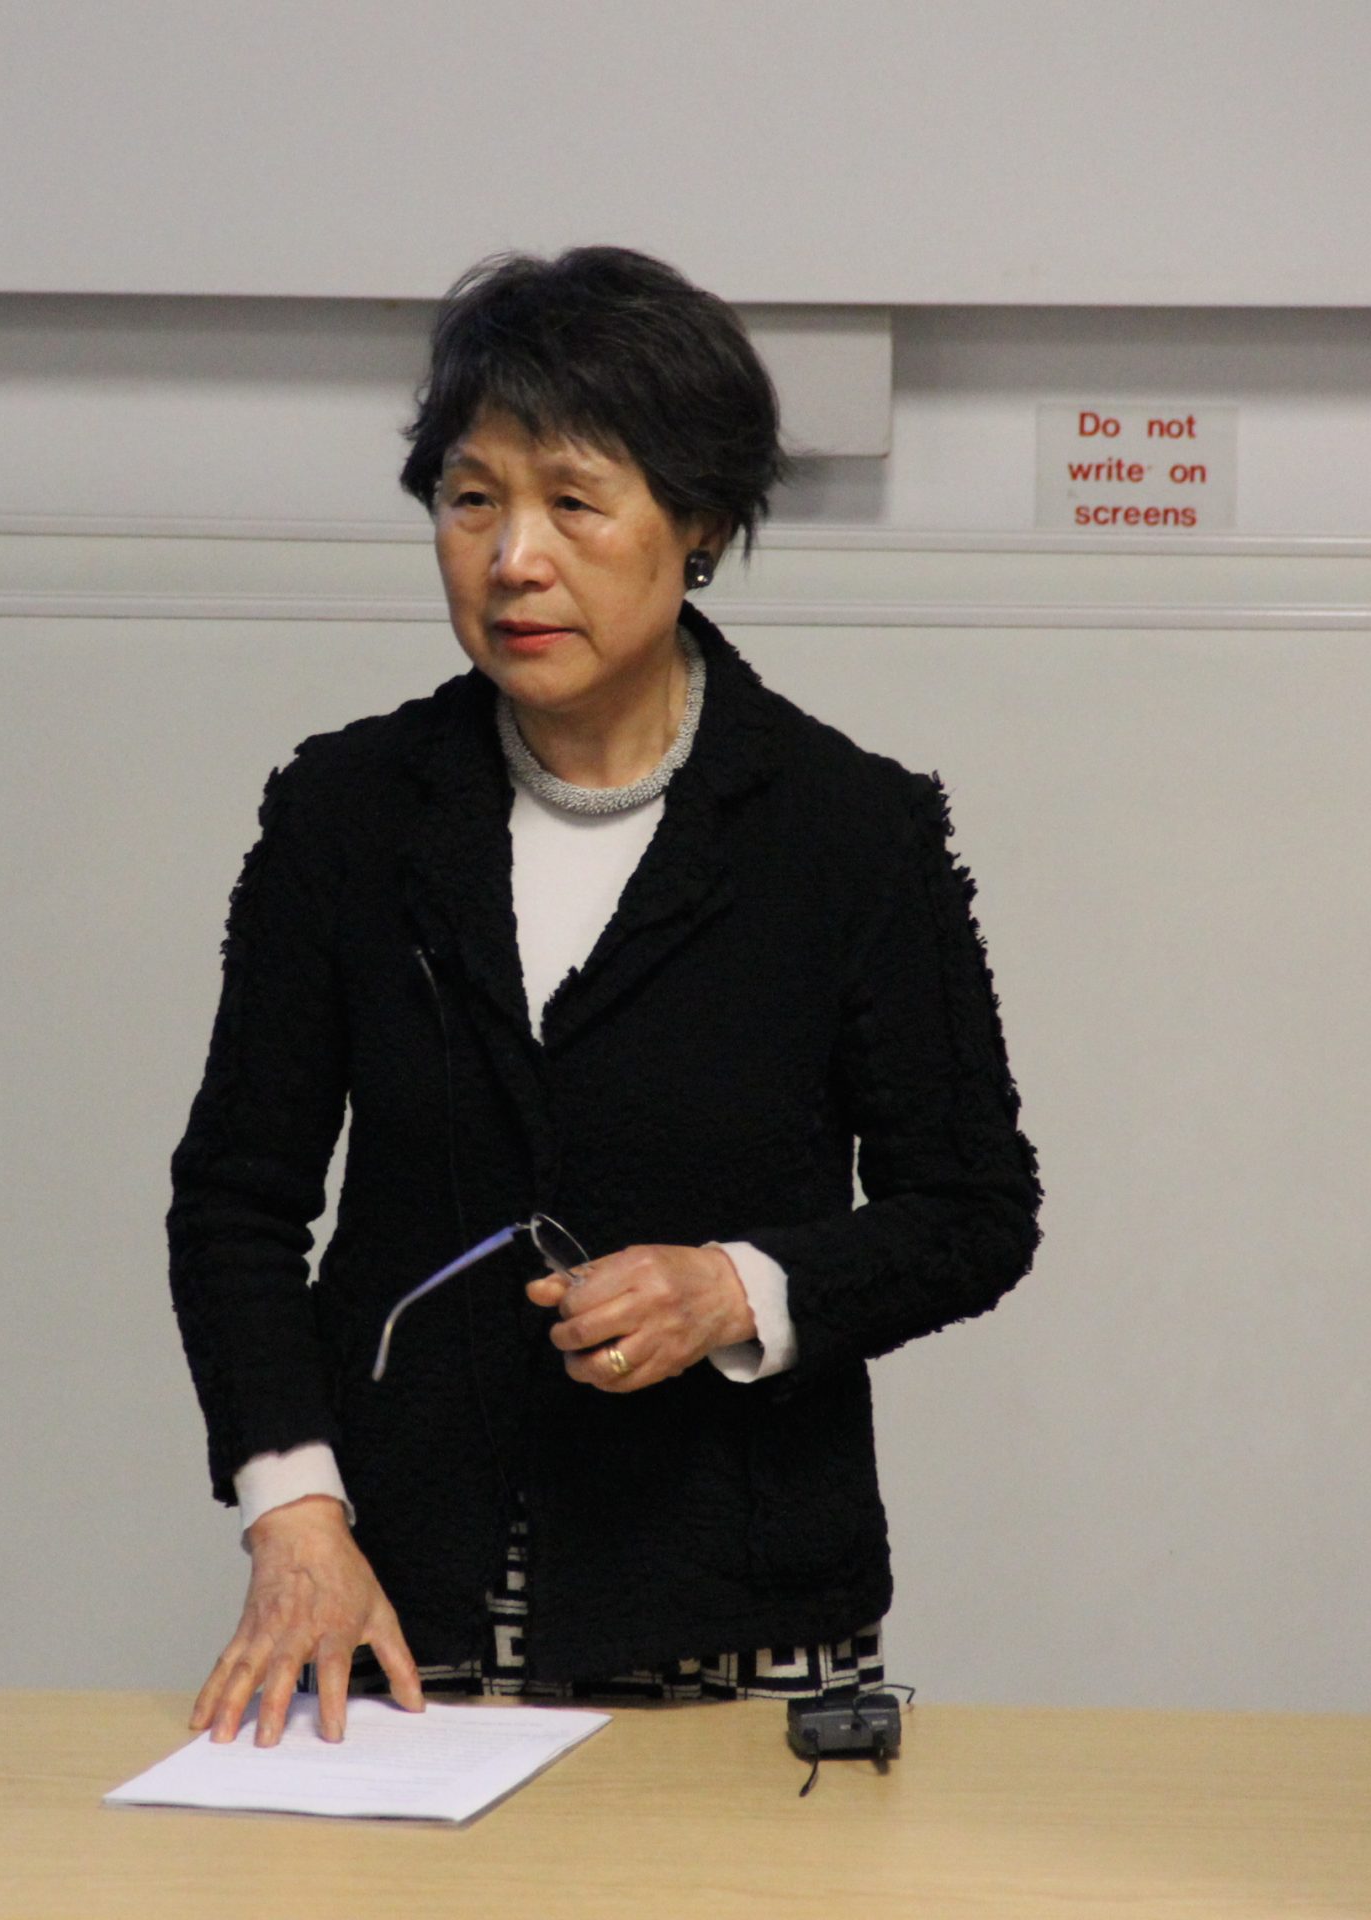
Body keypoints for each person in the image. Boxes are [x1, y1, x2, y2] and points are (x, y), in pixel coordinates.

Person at [167, 246, 1043, 1749]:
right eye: (471, 499)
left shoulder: (849, 832)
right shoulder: (347, 813)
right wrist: (292, 1509)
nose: (514, 557)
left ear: (697, 522)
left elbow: (971, 1210)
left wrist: (737, 1290)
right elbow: (235, 1202)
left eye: (572, 502)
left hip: (736, 1596)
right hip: (391, 1592)